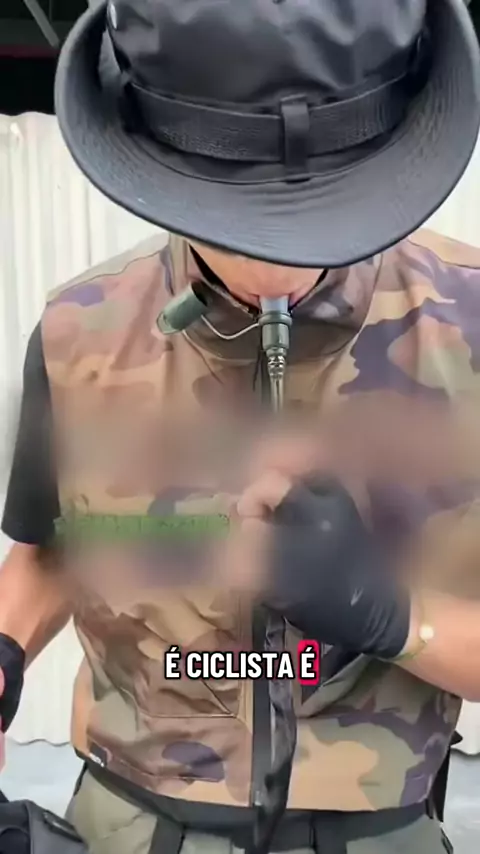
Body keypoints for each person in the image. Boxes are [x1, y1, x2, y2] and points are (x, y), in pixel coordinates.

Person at [1, 0, 480, 852]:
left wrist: (394, 617)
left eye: (316, 204)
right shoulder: (79, 331)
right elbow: (54, 551)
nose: (272, 259)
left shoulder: (470, 322)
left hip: (379, 824)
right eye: (229, 211)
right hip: (129, 820)